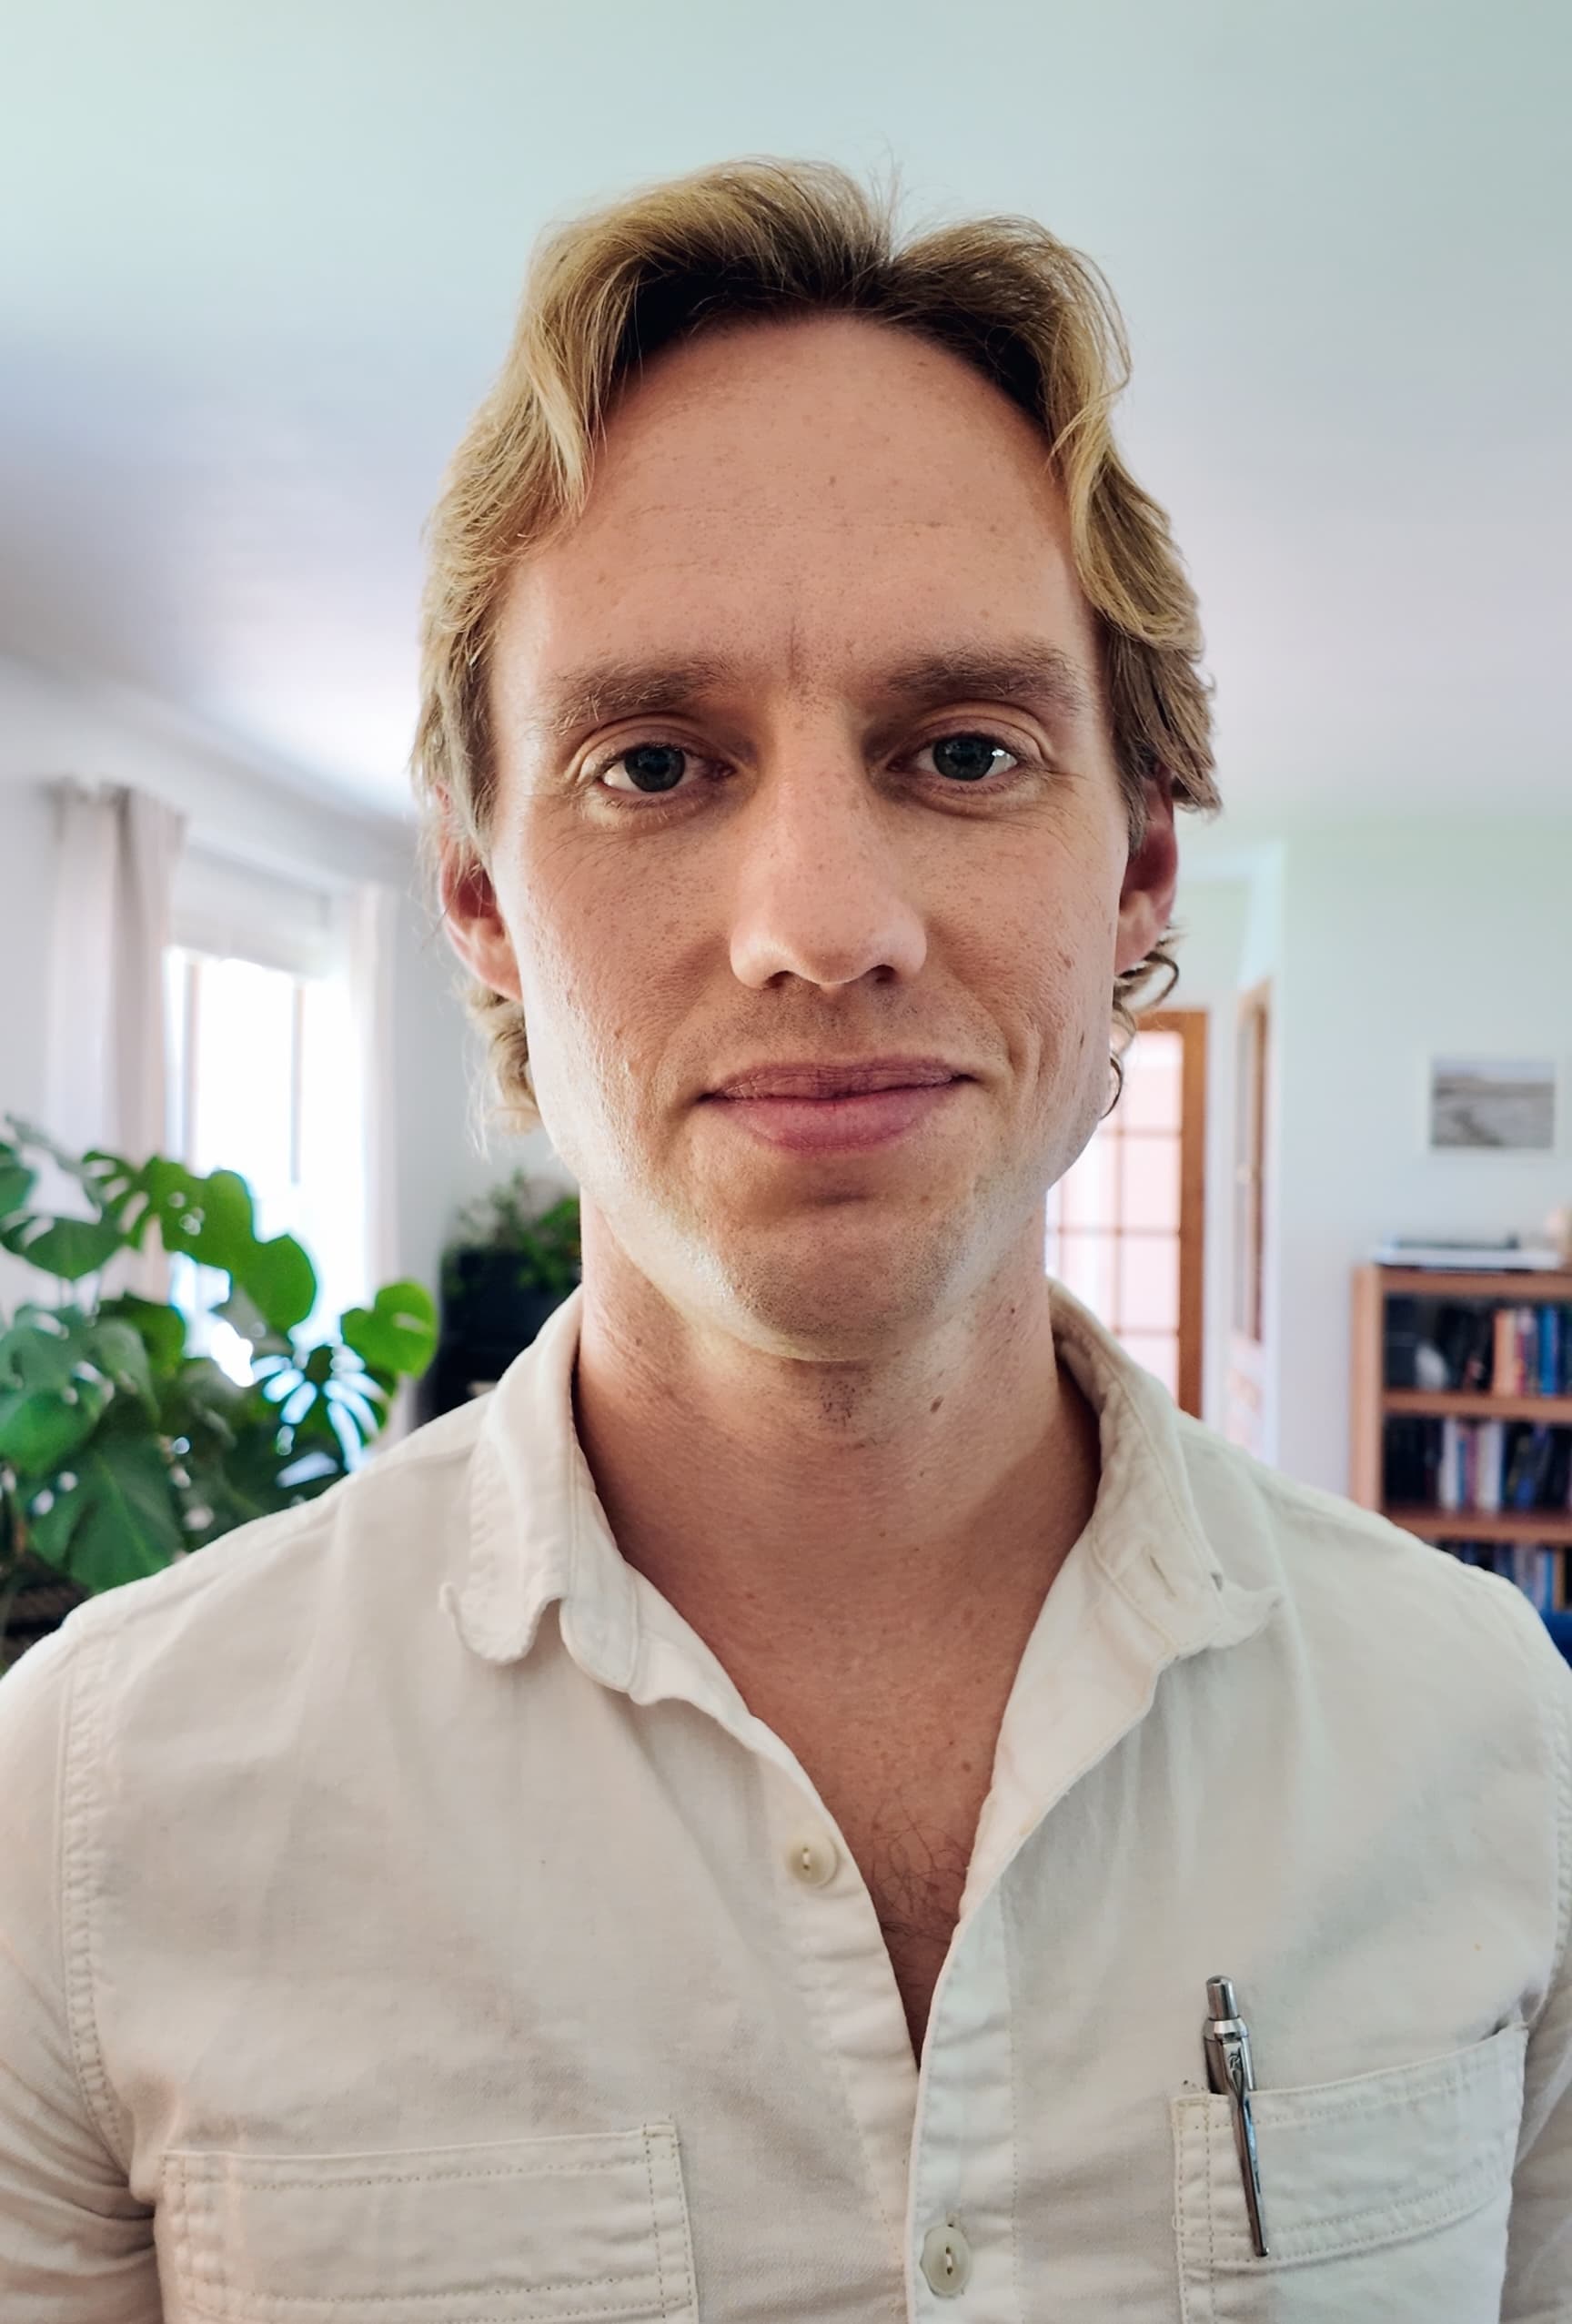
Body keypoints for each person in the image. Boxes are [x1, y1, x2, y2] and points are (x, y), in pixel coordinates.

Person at [1, 157, 1567, 2323]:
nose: (822, 925)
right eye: (655, 762)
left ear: (1138, 871)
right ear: (480, 898)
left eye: (963, 748)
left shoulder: (1488, 1740)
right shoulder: (85, 1810)